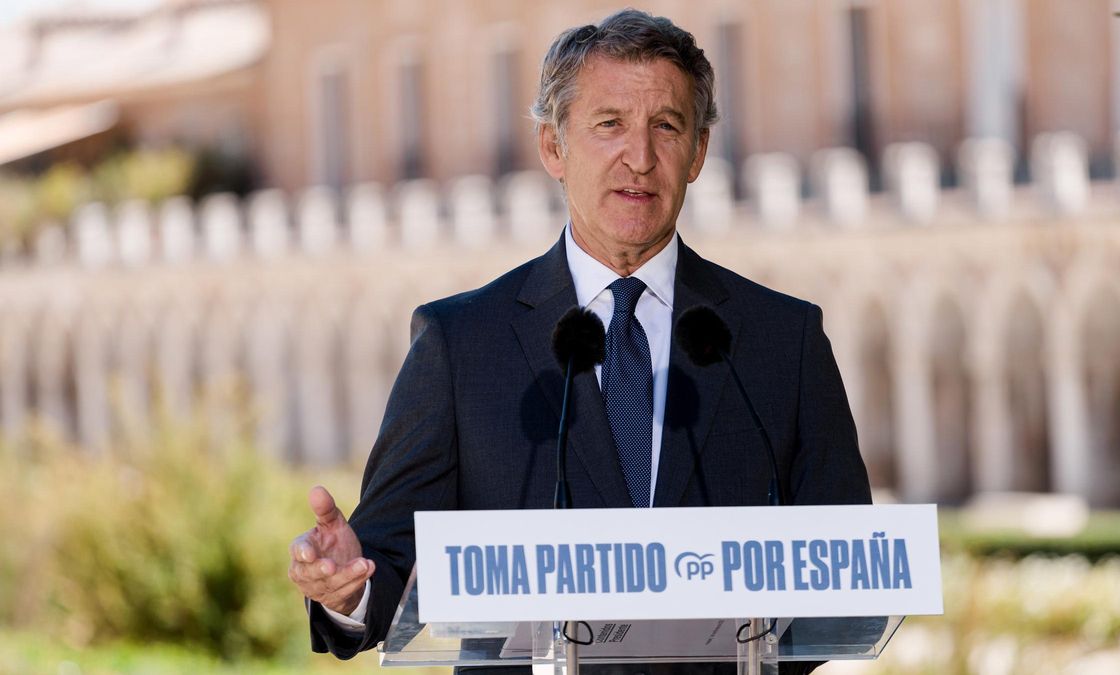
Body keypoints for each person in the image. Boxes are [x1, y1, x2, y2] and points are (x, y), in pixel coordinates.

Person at [289, 8, 871, 673]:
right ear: (553, 147)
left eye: (667, 126)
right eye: (609, 125)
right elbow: (388, 559)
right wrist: (349, 587)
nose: (641, 157)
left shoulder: (781, 341)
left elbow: (845, 574)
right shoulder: (461, 345)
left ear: (699, 153)